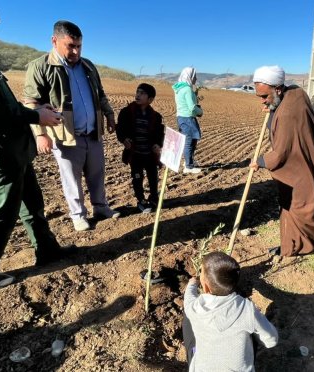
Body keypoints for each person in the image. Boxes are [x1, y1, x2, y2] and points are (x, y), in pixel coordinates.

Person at [24, 20, 119, 232]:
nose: (76, 51)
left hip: (93, 132)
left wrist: (110, 115)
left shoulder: (88, 66)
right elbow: (32, 102)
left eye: (79, 46)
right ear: (54, 41)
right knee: (71, 178)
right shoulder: (41, 66)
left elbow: (100, 94)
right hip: (65, 135)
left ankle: (101, 207)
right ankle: (78, 215)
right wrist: (40, 134)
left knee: (97, 173)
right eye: (70, 46)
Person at [249, 65, 314, 257]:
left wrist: (261, 161)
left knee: (300, 208)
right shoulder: (295, 94)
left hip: (297, 167)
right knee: (294, 207)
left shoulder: (288, 113)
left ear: (278, 89)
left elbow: (282, 153)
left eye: (265, 96)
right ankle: (292, 244)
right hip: (304, 160)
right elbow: (280, 114)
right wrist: (272, 108)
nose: (263, 101)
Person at [0, 60, 70, 288]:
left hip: (17, 150)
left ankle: (47, 250)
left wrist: (35, 111)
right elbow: (0, 113)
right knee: (2, 214)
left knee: (32, 202)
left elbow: (8, 104)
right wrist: (37, 117)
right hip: (3, 155)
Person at [183, 251, 278, 372]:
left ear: (205, 287)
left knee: (187, 318)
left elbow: (189, 298)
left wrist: (192, 284)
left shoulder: (195, 308)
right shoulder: (247, 309)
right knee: (252, 331)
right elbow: (271, 341)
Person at [116, 83, 164, 213]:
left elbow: (160, 133)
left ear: (150, 99)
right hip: (135, 154)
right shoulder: (126, 112)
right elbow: (120, 129)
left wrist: (158, 144)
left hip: (150, 155)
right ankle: (141, 200)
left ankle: (154, 197)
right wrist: (124, 139)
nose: (138, 95)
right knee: (137, 177)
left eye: (142, 93)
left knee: (153, 177)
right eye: (137, 92)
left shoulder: (156, 116)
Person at [172, 67, 203, 174]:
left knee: (190, 141)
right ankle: (188, 167)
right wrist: (200, 112)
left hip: (181, 117)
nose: (196, 78)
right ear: (190, 76)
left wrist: (195, 94)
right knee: (189, 142)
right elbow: (192, 107)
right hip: (188, 118)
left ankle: (188, 162)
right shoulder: (187, 89)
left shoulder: (180, 88)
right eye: (195, 76)